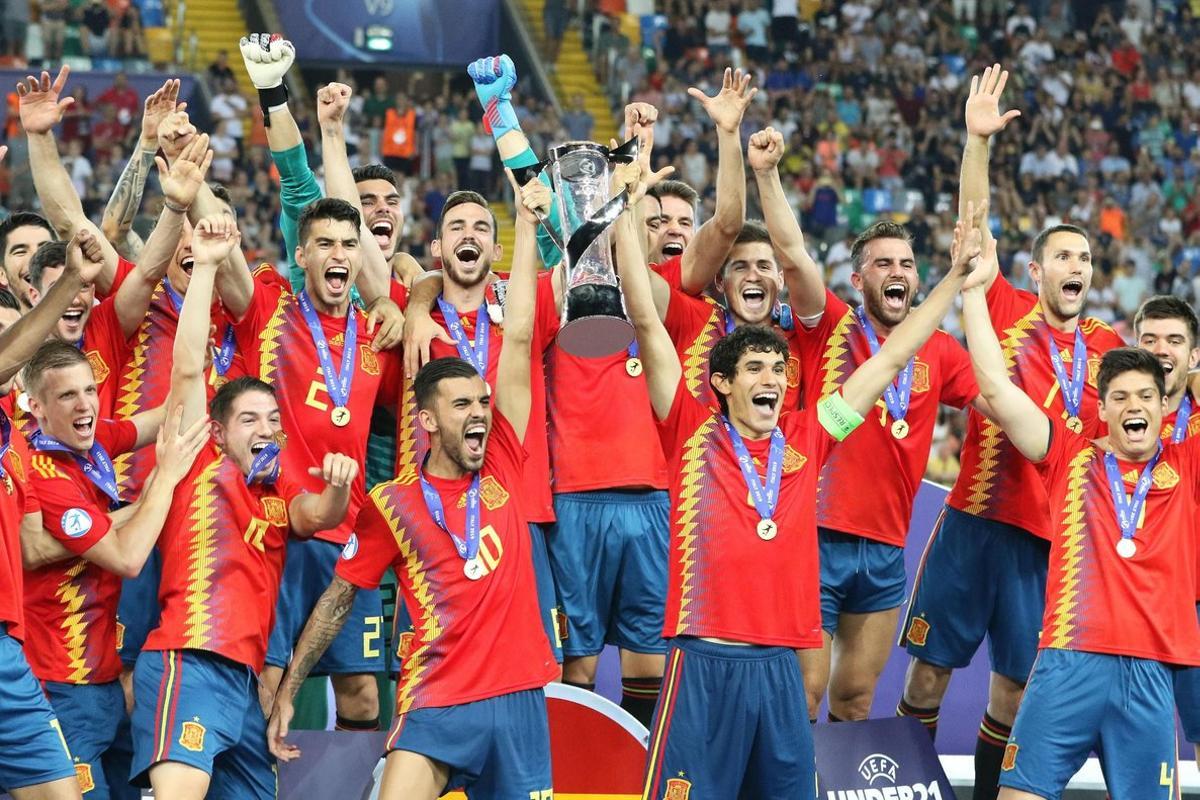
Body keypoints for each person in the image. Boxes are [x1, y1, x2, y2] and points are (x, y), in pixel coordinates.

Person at [617, 144, 986, 795]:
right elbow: (645, 316)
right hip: (701, 658)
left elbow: (892, 358)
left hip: (777, 668)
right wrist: (628, 204)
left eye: (776, 368)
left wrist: (954, 282)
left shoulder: (811, 437)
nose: (769, 377)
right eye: (752, 368)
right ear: (722, 381)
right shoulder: (687, 429)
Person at [267, 170, 555, 800]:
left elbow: (523, 335)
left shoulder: (504, 458)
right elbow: (339, 598)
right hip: (436, 702)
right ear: (425, 420)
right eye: (462, 406)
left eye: (482, 402)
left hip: (518, 702)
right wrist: (289, 687)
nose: (480, 413)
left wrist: (527, 225)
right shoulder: (392, 503)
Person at [898, 66, 1124, 800]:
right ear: (1034, 268)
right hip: (971, 525)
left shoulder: (1108, 342)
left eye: (1085, 258)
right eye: (1063, 255)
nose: (1077, 267)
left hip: (1045, 541)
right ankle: (911, 788)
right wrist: (977, 143)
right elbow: (972, 225)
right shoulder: (1003, 306)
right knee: (928, 675)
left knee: (1015, 692)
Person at [757, 122, 983, 723]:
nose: (898, 271)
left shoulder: (941, 351)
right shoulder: (829, 325)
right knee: (804, 695)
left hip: (886, 547)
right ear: (859, 281)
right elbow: (793, 254)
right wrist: (767, 173)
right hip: (816, 535)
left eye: (907, 263)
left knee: (854, 701)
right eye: (882, 263)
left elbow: (1002, 404)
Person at [128, 215, 356, 799]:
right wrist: (204, 264)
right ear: (220, 431)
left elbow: (320, 518)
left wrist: (335, 486)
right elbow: (185, 370)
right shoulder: (196, 460)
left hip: (243, 682)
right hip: (190, 660)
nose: (266, 429)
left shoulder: (278, 493)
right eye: (249, 419)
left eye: (273, 420)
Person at [960, 263, 1199, 800]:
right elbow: (996, 388)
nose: (1133, 406)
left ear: (1165, 406)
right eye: (1119, 397)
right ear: (1103, 406)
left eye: (1145, 396)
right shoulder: (1066, 456)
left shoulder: (1188, 462)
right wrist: (974, 294)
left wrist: (1185, 361)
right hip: (1067, 661)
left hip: (1149, 672)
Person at [20, 236, 209, 800]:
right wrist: (164, 481)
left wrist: (204, 385)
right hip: (60, 685)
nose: (85, 405)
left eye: (89, 391)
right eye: (68, 397)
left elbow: (160, 420)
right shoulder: (45, 478)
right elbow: (127, 558)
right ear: (36, 407)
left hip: (103, 684)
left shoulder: (91, 442)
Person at [217, 196, 401, 733]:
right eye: (324, 244)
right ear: (303, 254)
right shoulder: (271, 314)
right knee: (269, 687)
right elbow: (227, 257)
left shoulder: (379, 335)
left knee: (363, 697)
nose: (338, 253)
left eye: (348, 243)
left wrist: (406, 299)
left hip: (349, 534)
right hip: (278, 529)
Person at [0, 196, 120, 800]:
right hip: (47, 657)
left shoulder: (16, 439)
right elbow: (34, 545)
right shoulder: (31, 442)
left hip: (10, 647)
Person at [1132, 295, 1200, 767]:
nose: (1162, 350)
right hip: (1130, 603)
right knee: (1133, 750)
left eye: (1175, 340)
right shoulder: (1110, 416)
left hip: (1195, 600)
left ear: (1193, 356)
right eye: (1150, 339)